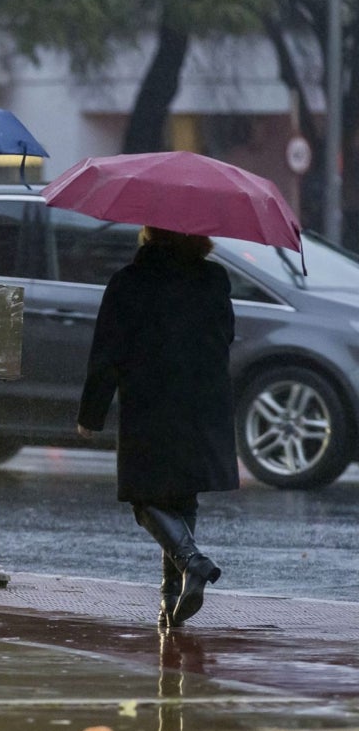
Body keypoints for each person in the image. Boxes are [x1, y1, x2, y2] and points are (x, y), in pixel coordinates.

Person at [77, 225, 238, 627]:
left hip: (151, 401)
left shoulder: (130, 281)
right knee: (182, 497)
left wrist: (90, 413)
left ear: (148, 232)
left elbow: (107, 352)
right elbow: (226, 336)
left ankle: (191, 562)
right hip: (203, 399)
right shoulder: (214, 278)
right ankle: (171, 601)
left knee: (144, 496)